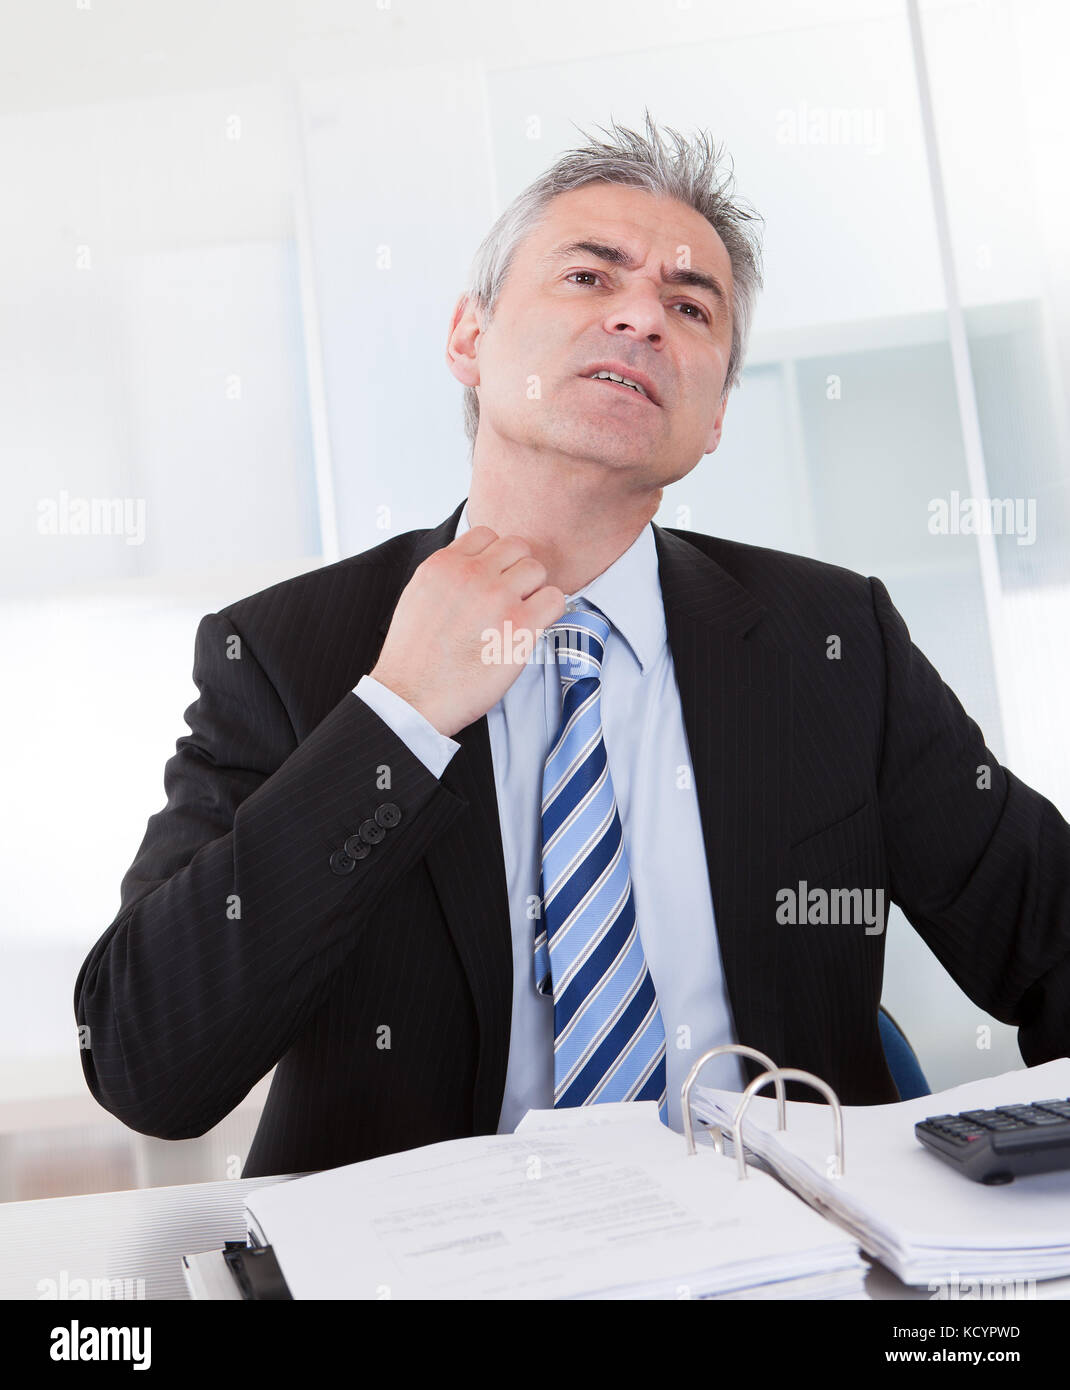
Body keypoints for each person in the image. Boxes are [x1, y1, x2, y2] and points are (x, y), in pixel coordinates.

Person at [75, 113, 1070, 1180]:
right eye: (591, 278)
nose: (642, 316)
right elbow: (146, 1064)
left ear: (714, 417)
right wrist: (398, 715)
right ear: (469, 337)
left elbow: (1051, 941)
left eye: (689, 306)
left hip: (789, 1255)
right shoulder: (283, 651)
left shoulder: (832, 642)